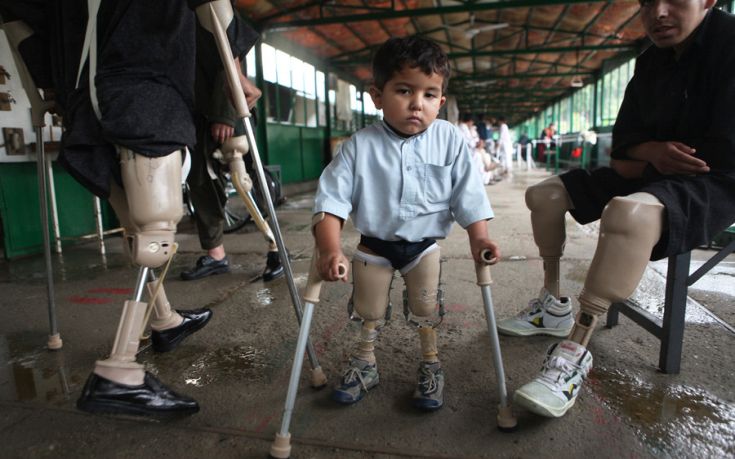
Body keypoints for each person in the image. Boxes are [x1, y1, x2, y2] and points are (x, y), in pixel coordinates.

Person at [0, 0, 261, 417]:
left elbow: (18, 17)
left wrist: (45, 86)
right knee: (155, 232)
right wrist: (234, 70)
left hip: (83, 101)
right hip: (147, 89)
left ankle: (165, 322)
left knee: (137, 229)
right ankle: (118, 370)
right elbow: (215, 10)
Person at [497, 0, 735, 419]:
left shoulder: (729, 46)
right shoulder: (649, 61)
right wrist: (653, 151)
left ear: (708, 0)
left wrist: (645, 156)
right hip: (651, 170)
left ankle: (574, 353)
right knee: (544, 195)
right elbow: (623, 148)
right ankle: (552, 304)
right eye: (647, 2)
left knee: (628, 213)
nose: (658, 12)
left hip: (714, 181)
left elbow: (717, 156)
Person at [312, 36, 500, 411]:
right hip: (374, 245)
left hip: (423, 247)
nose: (417, 103)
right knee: (368, 310)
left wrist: (480, 238)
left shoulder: (449, 140)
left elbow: (469, 194)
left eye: (430, 94)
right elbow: (331, 201)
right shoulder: (359, 146)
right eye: (404, 90)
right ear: (377, 96)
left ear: (441, 102)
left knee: (426, 308)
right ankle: (365, 362)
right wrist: (330, 249)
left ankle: (431, 364)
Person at [181, 62, 284, 282]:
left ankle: (277, 248)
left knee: (245, 178)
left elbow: (227, 59)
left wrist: (225, 114)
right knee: (201, 183)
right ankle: (216, 255)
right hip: (195, 116)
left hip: (229, 109)